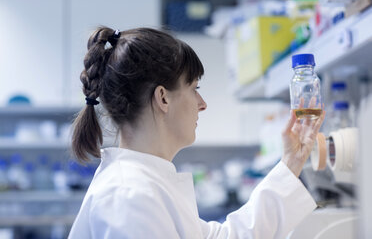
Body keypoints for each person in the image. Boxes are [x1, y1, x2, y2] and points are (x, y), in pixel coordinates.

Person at [68, 26, 325, 239]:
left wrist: (291, 162)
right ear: (163, 98)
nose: (202, 104)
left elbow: (228, 237)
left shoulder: (144, 186)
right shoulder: (129, 195)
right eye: (194, 88)